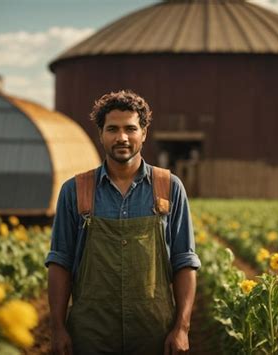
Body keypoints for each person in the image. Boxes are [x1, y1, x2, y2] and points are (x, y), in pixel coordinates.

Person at [45, 90, 201, 355]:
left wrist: (182, 328)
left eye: (130, 128)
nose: (122, 138)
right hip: (91, 334)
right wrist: (58, 328)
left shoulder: (168, 187)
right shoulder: (75, 190)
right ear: (101, 134)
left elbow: (184, 261)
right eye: (112, 129)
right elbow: (61, 261)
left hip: (154, 333)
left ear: (144, 133)